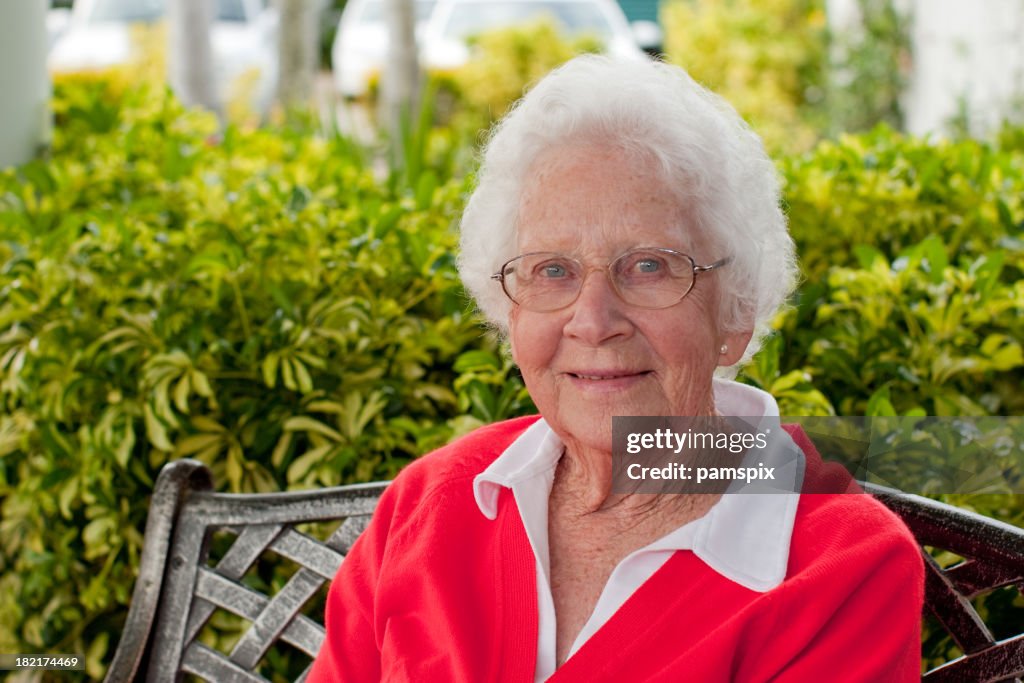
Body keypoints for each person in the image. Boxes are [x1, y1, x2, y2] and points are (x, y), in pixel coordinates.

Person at [308, 55, 924, 682]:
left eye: (650, 266)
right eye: (552, 271)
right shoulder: (432, 504)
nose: (594, 320)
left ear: (734, 312)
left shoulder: (842, 567)